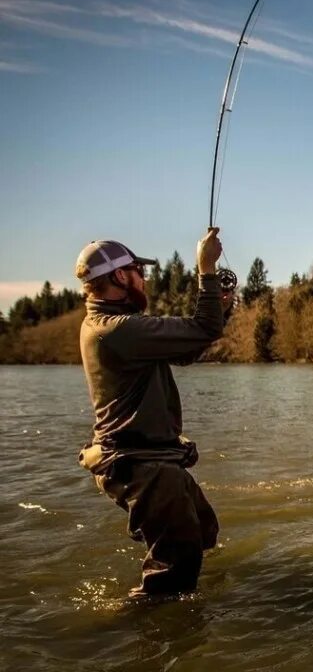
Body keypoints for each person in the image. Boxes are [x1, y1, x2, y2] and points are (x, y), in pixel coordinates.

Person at [75, 228, 232, 599]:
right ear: (118, 277)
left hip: (152, 462)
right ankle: (139, 631)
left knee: (204, 533)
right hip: (144, 467)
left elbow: (187, 349)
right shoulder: (115, 330)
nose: (143, 279)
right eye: (137, 271)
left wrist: (219, 309)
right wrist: (206, 269)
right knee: (172, 580)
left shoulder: (111, 327)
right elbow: (202, 328)